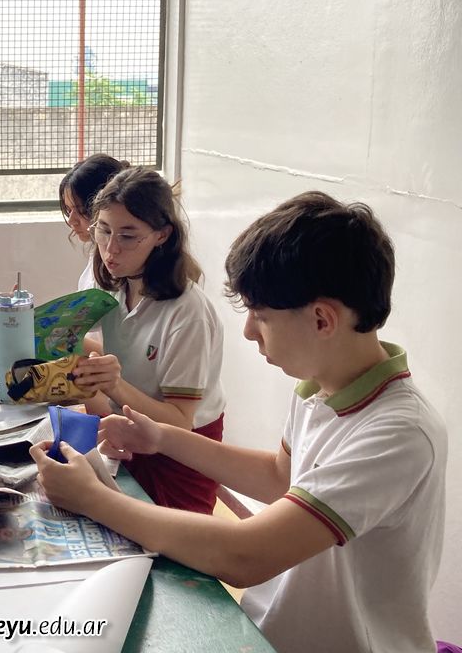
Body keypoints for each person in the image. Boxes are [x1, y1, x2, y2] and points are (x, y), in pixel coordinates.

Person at [32, 191, 447, 653]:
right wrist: (162, 437)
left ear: (322, 319)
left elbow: (244, 556)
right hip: (270, 632)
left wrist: (93, 499)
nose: (249, 331)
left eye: (260, 316)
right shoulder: (318, 387)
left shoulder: (398, 433)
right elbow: (279, 476)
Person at [71, 166, 225, 514]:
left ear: (161, 235)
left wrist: (113, 385)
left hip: (181, 456)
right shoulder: (115, 286)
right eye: (103, 230)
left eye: (128, 236)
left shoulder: (187, 312)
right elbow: (127, 357)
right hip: (128, 435)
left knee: (168, 542)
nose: (110, 249)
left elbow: (180, 421)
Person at [58, 153, 130, 290]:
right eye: (68, 210)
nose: (71, 220)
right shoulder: (96, 256)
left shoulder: (118, 264)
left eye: (82, 210)